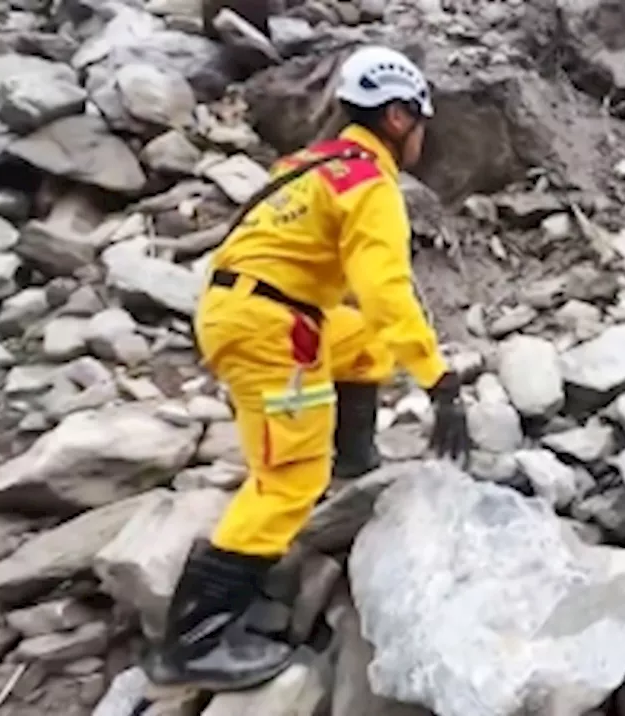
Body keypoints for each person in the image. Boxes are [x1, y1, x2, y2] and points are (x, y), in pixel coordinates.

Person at [143, 45, 470, 692]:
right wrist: (440, 382)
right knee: (288, 477)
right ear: (400, 118)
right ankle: (194, 638)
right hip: (271, 331)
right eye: (421, 122)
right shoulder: (369, 184)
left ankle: (352, 463)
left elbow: (360, 306)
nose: (421, 137)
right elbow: (387, 292)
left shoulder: (314, 164)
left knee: (360, 341)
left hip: (249, 307)